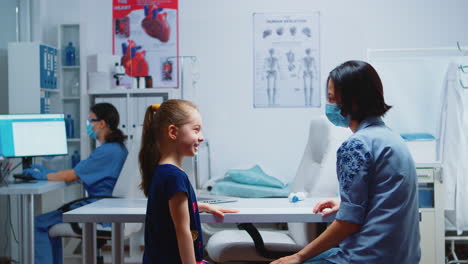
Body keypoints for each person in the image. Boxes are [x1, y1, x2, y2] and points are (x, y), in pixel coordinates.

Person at [271, 61, 421, 264]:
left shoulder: (356, 146)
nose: (329, 105)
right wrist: (345, 203)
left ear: (354, 101)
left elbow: (348, 223)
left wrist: (298, 256)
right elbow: (385, 197)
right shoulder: (393, 139)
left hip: (366, 258)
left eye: (332, 99)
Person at [23, 103, 128, 264]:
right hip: (105, 207)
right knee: (48, 224)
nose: (88, 125)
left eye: (90, 121)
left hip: (99, 210)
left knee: (38, 224)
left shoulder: (106, 151)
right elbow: (79, 173)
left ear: (102, 123)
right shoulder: (117, 148)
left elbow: (70, 176)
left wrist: (43, 175)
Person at [139, 100, 239, 264]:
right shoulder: (174, 176)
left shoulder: (163, 170)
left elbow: (168, 210)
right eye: (196, 130)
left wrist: (203, 207)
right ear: (173, 132)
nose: (201, 137)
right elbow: (182, 230)